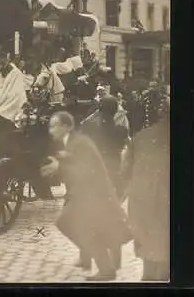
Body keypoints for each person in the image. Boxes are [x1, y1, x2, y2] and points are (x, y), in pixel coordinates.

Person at [41, 111, 132, 281]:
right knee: (78, 225)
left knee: (69, 223)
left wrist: (59, 167)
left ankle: (105, 268)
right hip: (83, 193)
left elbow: (85, 171)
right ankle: (96, 263)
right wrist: (59, 166)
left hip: (91, 194)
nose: (51, 130)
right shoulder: (71, 142)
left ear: (67, 126)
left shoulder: (81, 143)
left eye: (55, 126)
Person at [79, 96, 131, 271]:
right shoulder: (121, 131)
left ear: (99, 110)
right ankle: (116, 261)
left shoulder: (89, 127)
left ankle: (85, 258)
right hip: (113, 178)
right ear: (116, 111)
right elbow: (129, 150)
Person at [127, 95, 170, 281]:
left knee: (150, 255)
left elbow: (126, 171)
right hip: (165, 202)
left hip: (143, 201)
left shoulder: (141, 137)